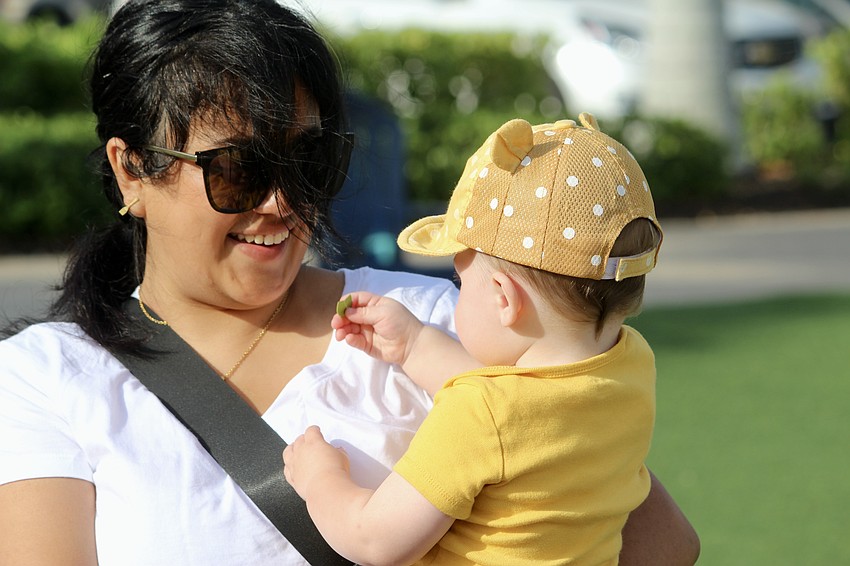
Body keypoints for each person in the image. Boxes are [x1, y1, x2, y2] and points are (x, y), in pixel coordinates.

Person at [0, 1, 698, 564]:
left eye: (309, 160)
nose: (281, 201)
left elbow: (661, 542)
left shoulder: (433, 320)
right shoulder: (50, 378)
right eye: (237, 168)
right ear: (131, 171)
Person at [283, 114, 665, 565]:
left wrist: (321, 478)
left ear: (504, 298)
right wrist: (413, 343)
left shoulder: (481, 418)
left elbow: (373, 540)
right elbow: (520, 411)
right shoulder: (631, 366)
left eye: (462, 285)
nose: (457, 295)